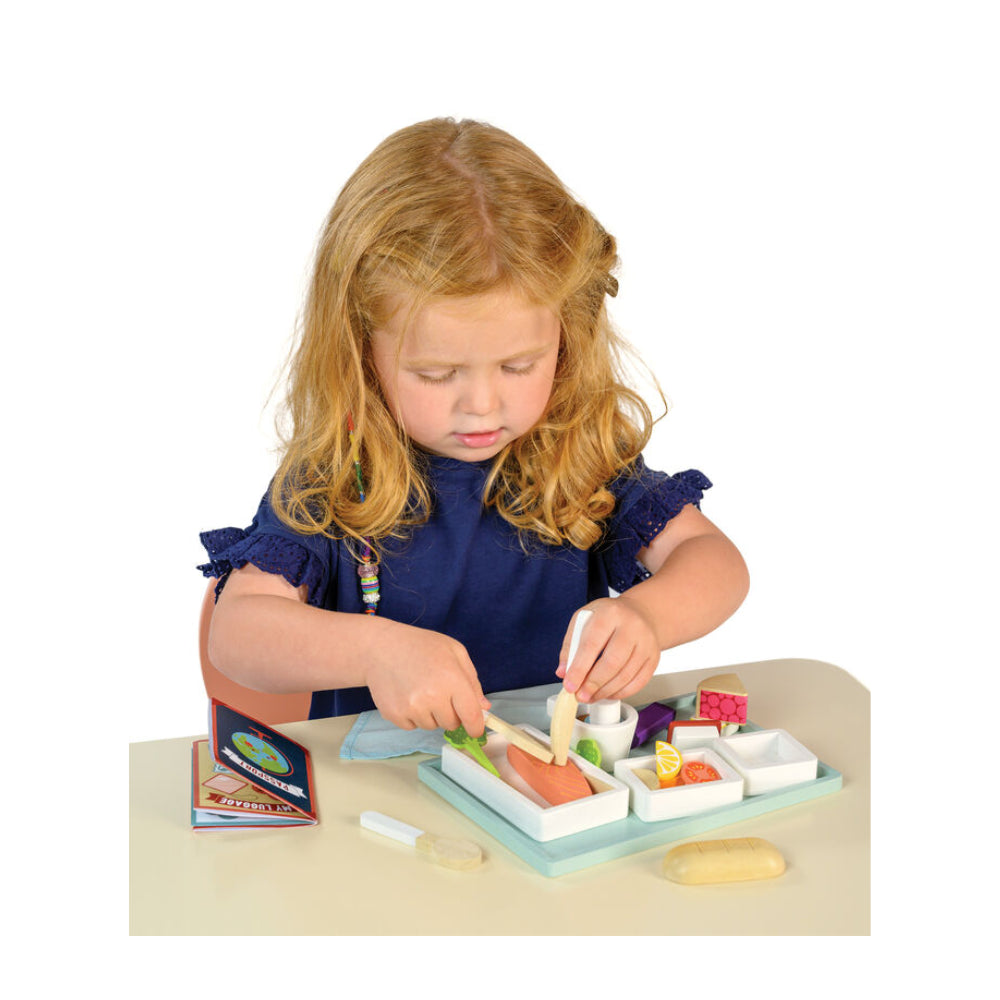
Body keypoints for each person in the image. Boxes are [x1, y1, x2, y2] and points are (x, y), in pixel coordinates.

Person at [199, 117, 749, 738]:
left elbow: (715, 562)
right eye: (436, 374)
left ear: (566, 337)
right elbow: (237, 634)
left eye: (519, 366)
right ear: (359, 350)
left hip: (558, 775)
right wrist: (375, 650)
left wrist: (648, 616)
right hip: (387, 783)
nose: (483, 406)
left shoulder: (579, 452)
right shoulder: (336, 477)